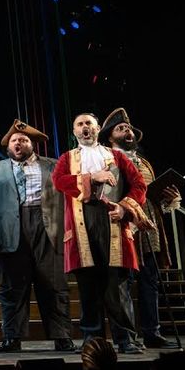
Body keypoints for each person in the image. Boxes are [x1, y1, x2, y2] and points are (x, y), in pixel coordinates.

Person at [0, 120, 74, 353]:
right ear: (8, 145)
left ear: (32, 144)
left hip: (48, 229)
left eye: (23, 140)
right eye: (14, 140)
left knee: (54, 285)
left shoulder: (53, 166)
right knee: (12, 288)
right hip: (8, 231)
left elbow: (70, 199)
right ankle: (12, 337)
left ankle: (61, 336)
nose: (18, 143)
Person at [52, 112, 146, 353]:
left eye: (89, 124)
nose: (85, 128)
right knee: (88, 286)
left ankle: (125, 339)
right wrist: (91, 177)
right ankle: (92, 338)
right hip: (82, 225)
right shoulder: (67, 158)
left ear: (97, 129)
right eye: (80, 124)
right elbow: (59, 181)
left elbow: (139, 184)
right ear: (74, 131)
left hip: (113, 221)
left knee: (117, 286)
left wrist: (124, 208)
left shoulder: (116, 156)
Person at [102, 107, 180, 350]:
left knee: (150, 280)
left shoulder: (143, 162)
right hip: (124, 225)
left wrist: (168, 197)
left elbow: (150, 196)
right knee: (123, 282)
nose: (127, 132)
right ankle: (126, 337)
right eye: (120, 128)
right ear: (110, 136)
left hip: (149, 227)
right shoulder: (107, 159)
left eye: (128, 128)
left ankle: (152, 333)